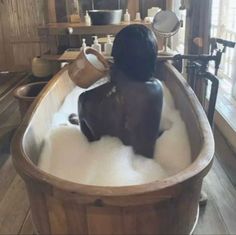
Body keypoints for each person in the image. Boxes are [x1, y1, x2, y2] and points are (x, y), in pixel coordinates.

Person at [77, 24, 163, 158]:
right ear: (151, 60)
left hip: (102, 173)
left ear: (115, 57)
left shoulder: (85, 101)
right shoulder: (156, 90)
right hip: (148, 172)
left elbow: (87, 145)